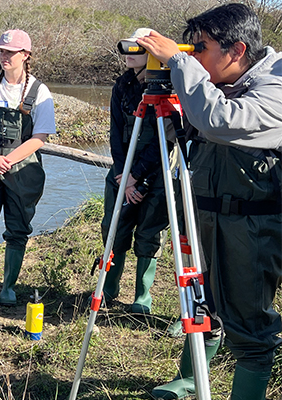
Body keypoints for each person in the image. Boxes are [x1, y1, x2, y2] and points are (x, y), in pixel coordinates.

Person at [136, 3, 282, 399]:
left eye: (200, 47)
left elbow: (223, 122)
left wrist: (181, 67)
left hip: (253, 227)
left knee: (250, 327)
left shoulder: (277, 85)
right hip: (205, 218)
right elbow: (195, 134)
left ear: (236, 50)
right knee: (202, 306)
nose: (192, 55)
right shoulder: (217, 83)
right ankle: (189, 379)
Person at [0, 29, 56, 308]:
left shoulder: (39, 92)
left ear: (25, 56)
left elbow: (40, 137)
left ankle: (9, 288)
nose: (4, 56)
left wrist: (5, 163)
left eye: (10, 52)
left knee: (17, 230)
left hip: (23, 171)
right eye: (1, 51)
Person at [99, 28, 171, 314]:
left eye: (138, 49)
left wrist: (138, 178)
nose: (130, 55)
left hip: (156, 172)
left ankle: (143, 296)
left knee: (149, 233)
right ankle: (109, 287)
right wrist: (123, 174)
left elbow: (165, 140)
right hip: (122, 170)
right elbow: (115, 133)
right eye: (128, 48)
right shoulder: (121, 85)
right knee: (113, 228)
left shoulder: (167, 87)